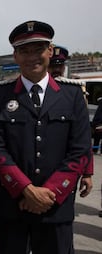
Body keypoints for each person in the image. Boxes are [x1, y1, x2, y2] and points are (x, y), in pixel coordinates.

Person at [0, 20, 93, 254]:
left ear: (50, 51)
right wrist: (27, 190)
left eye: (38, 49)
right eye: (24, 51)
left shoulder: (72, 94)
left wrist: (48, 194)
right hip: (13, 205)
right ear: (15, 56)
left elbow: (80, 150)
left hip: (57, 207)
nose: (31, 56)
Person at [47, 45, 93, 198]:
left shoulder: (75, 93)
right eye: (52, 65)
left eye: (60, 66)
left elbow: (83, 137)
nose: (56, 70)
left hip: (67, 167)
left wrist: (87, 172)